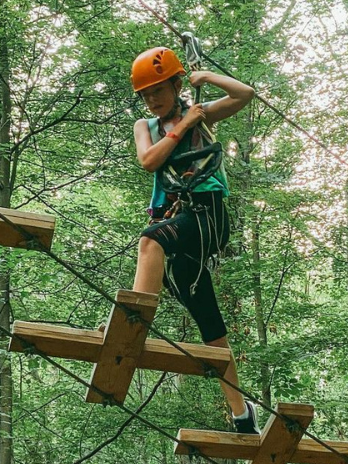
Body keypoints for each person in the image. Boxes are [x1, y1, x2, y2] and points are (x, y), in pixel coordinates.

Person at [129, 46, 259, 434]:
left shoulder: (200, 115)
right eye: (146, 95)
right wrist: (183, 127)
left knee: (150, 242)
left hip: (208, 216)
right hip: (182, 220)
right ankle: (241, 412)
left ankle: (133, 324)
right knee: (209, 323)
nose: (152, 100)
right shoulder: (146, 126)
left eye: (159, 91)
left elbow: (244, 94)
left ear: (176, 84)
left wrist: (207, 79)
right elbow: (149, 161)